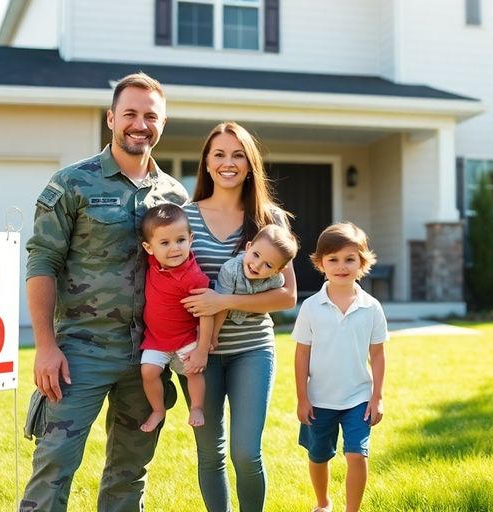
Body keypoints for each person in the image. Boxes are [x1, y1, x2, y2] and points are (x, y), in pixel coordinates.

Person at [21, 72, 188, 512]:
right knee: (54, 466)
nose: (140, 124)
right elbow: (42, 261)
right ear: (111, 119)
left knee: (129, 472)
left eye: (150, 115)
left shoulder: (174, 195)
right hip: (80, 353)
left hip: (148, 355)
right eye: (129, 113)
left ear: (163, 123)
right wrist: (45, 346)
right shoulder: (72, 183)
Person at [178, 121, 297, 512]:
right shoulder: (184, 217)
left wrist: (223, 301)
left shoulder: (269, 219)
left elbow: (287, 296)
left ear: (250, 164)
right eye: (219, 154)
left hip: (252, 351)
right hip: (200, 354)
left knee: (246, 452)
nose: (228, 163)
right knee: (210, 454)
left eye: (237, 155)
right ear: (206, 162)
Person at [291, 222, 388, 512]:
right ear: (321, 263)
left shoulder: (372, 307)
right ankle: (323, 503)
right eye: (333, 259)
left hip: (359, 399)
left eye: (349, 259)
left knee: (357, 455)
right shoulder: (311, 307)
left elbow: (378, 355)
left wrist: (377, 397)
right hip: (319, 399)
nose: (341, 266)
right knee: (318, 456)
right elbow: (301, 355)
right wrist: (302, 398)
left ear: (362, 262)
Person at [137, 203, 213, 432]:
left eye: (180, 240)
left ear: (191, 239)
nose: (174, 249)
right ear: (149, 248)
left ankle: (197, 407)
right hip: (156, 339)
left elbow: (206, 313)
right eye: (165, 243)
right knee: (148, 372)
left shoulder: (194, 277)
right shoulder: (153, 263)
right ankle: (158, 410)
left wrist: (202, 349)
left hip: (185, 337)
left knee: (193, 371)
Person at [211, 223, 298, 340]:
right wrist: (213, 336)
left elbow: (282, 299)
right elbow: (221, 306)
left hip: (259, 338)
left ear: (278, 270)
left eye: (268, 265)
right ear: (248, 247)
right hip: (226, 336)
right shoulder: (230, 270)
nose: (257, 265)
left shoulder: (276, 280)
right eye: (256, 255)